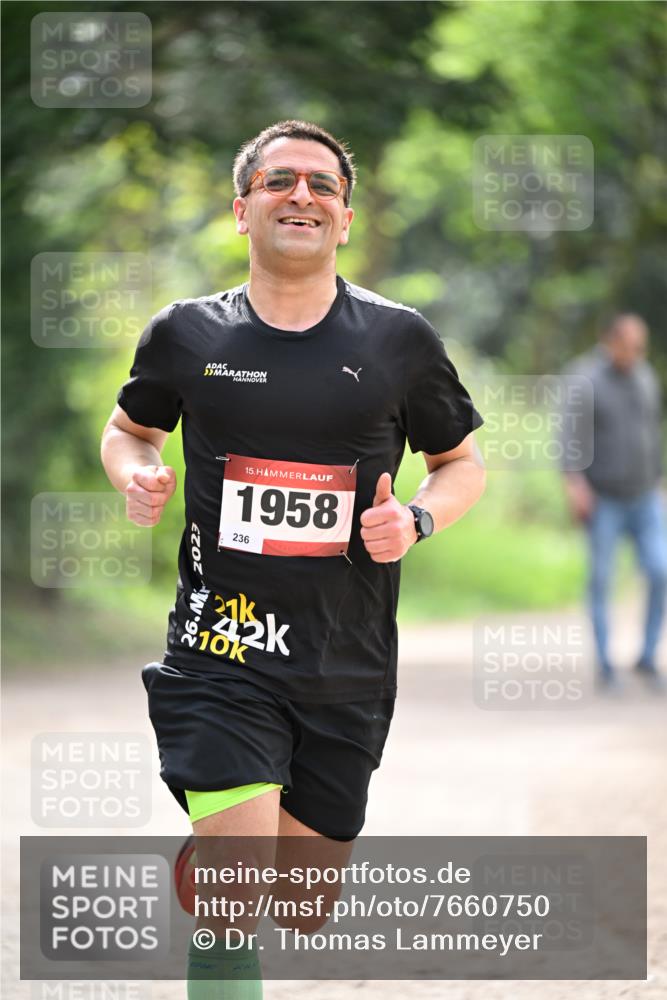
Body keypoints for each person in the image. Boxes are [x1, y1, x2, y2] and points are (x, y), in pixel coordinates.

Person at [101, 120, 485, 996]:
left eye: (320, 185)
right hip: (221, 648)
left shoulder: (398, 341)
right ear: (242, 211)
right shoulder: (186, 336)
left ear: (345, 218)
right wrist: (138, 474)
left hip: (342, 658)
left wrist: (417, 521)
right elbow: (129, 432)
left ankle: (231, 838)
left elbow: (459, 464)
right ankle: (228, 838)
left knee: (301, 900)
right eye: (278, 182)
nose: (300, 195)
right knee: (239, 891)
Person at [562, 314, 666, 688]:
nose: (638, 352)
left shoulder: (644, 377)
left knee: (660, 570)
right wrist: (575, 486)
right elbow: (569, 437)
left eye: (642, 345)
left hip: (645, 496)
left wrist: (659, 484)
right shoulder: (584, 378)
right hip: (604, 498)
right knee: (602, 580)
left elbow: (650, 435)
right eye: (632, 344)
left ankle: (647, 657)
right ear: (611, 341)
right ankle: (606, 665)